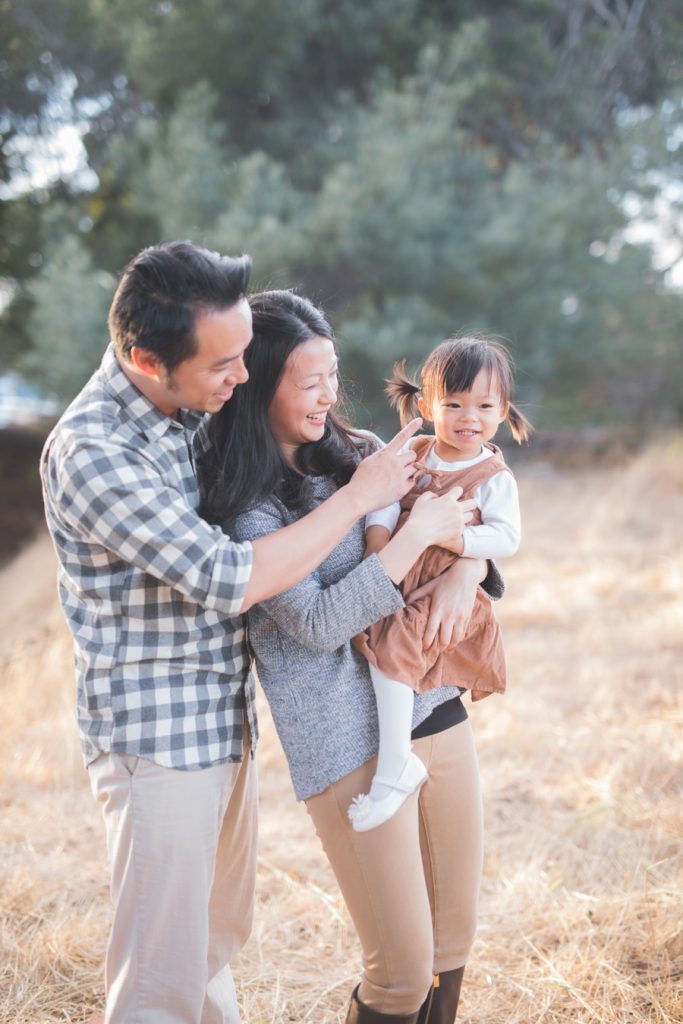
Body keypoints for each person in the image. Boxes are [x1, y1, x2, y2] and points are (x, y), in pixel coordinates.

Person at [40, 240, 439, 1024]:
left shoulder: (187, 405)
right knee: (159, 980)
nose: (244, 378)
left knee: (214, 946)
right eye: (224, 365)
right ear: (146, 359)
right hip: (156, 742)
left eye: (245, 355)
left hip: (222, 725)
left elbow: (290, 447)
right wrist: (359, 501)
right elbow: (232, 576)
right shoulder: (96, 453)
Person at [201, 289, 505, 1024]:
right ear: (257, 383)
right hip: (342, 742)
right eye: (308, 381)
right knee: (399, 975)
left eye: (331, 375)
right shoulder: (249, 508)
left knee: (451, 944)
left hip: (429, 706)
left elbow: (470, 531)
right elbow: (314, 623)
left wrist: (464, 566)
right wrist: (409, 540)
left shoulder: (365, 452)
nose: (327, 395)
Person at [349, 337, 532, 831]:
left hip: (444, 587)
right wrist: (379, 542)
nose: (467, 416)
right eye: (453, 403)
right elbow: (384, 502)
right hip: (398, 570)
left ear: (502, 412)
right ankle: (396, 760)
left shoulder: (494, 477)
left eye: (483, 405)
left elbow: (506, 537)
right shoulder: (414, 453)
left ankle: (395, 766)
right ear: (427, 406)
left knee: (393, 654)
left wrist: (456, 543)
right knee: (375, 643)